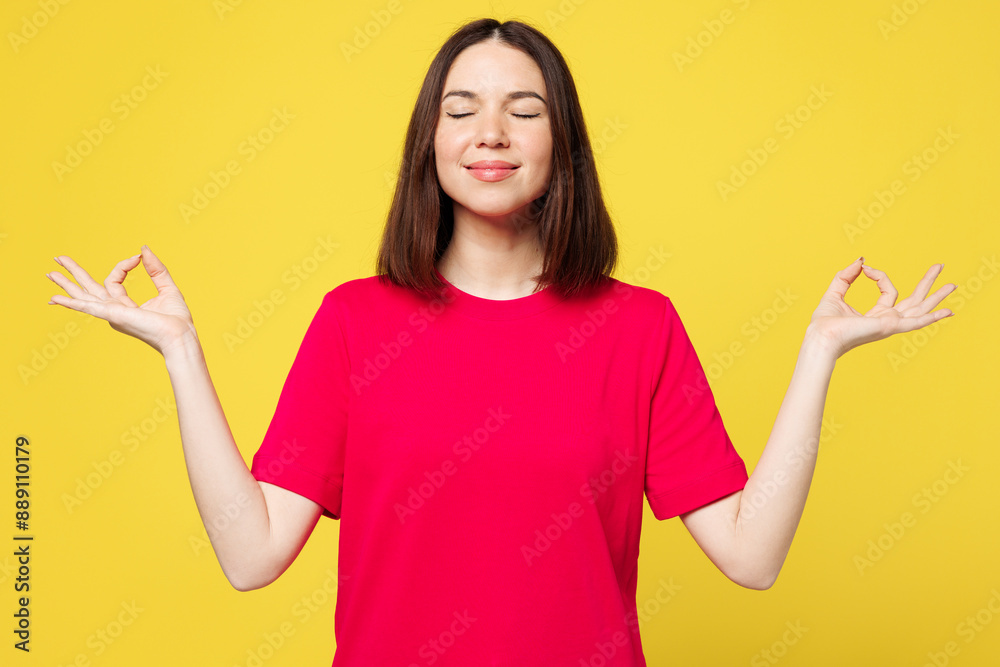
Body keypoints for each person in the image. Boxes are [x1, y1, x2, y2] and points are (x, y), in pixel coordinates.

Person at [44, 17, 955, 667]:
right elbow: (251, 556)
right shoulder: (356, 321)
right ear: (428, 140)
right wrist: (181, 352)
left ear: (563, 141)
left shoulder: (639, 327)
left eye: (524, 109)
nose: (490, 133)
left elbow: (752, 557)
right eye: (462, 109)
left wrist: (819, 354)